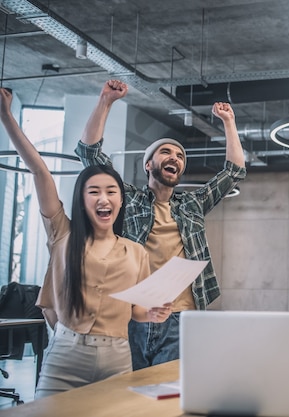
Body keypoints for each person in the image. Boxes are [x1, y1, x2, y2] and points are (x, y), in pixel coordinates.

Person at [0, 88, 172, 398]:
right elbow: (39, 171)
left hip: (117, 358)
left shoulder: (136, 252)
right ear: (82, 199)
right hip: (66, 355)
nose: (103, 198)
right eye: (94, 191)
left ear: (121, 200)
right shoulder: (63, 235)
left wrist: (155, 312)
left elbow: (137, 311)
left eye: (111, 191)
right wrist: (6, 117)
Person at [75, 80, 247, 370]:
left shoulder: (192, 204)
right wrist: (105, 101)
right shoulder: (128, 199)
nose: (175, 158)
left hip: (181, 316)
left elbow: (234, 172)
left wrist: (228, 122)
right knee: (129, 394)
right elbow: (90, 155)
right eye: (166, 153)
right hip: (133, 315)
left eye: (180, 156)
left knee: (168, 395)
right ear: (148, 165)